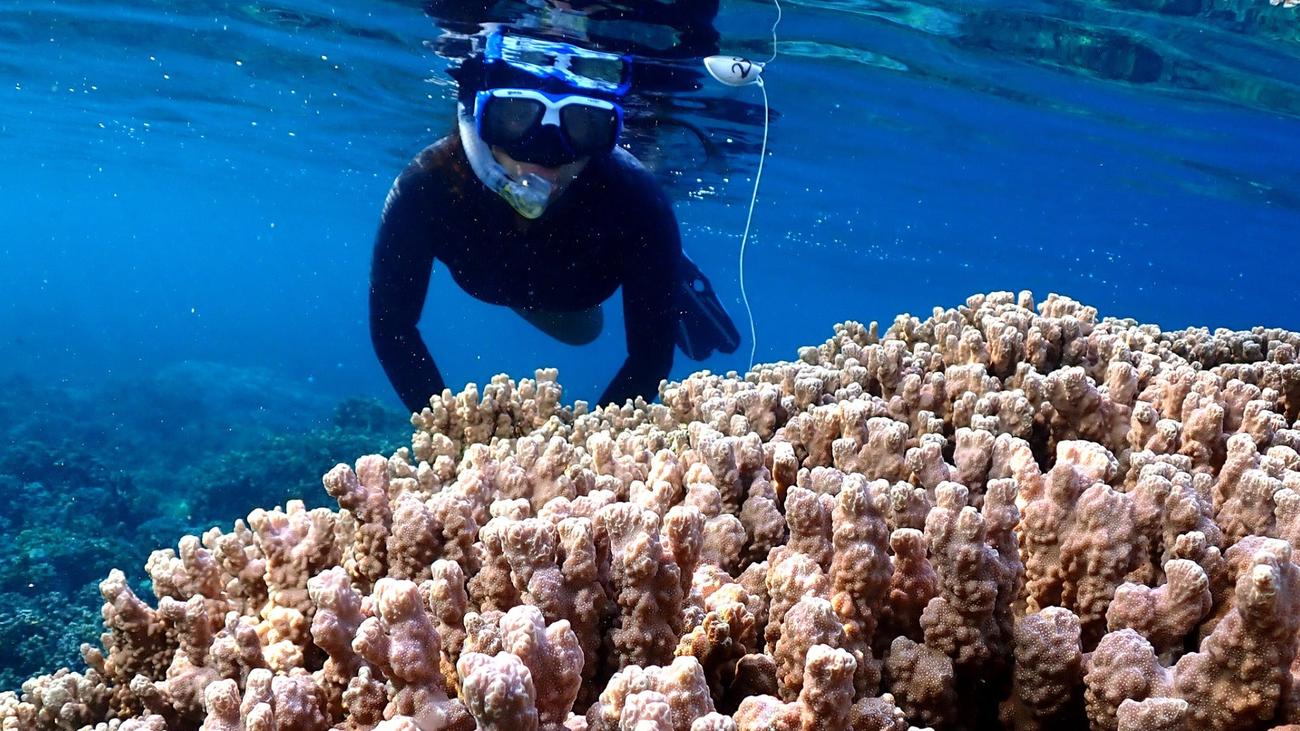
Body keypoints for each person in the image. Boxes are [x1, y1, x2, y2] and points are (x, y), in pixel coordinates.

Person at [370, 29, 738, 414]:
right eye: (515, 116)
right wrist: (446, 434)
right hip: (523, 285)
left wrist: (591, 456)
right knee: (582, 331)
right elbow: (392, 329)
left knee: (584, 332)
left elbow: (649, 358)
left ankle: (671, 268)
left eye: (582, 123)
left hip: (570, 296)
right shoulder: (428, 185)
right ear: (480, 118)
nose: (547, 153)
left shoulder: (639, 205)